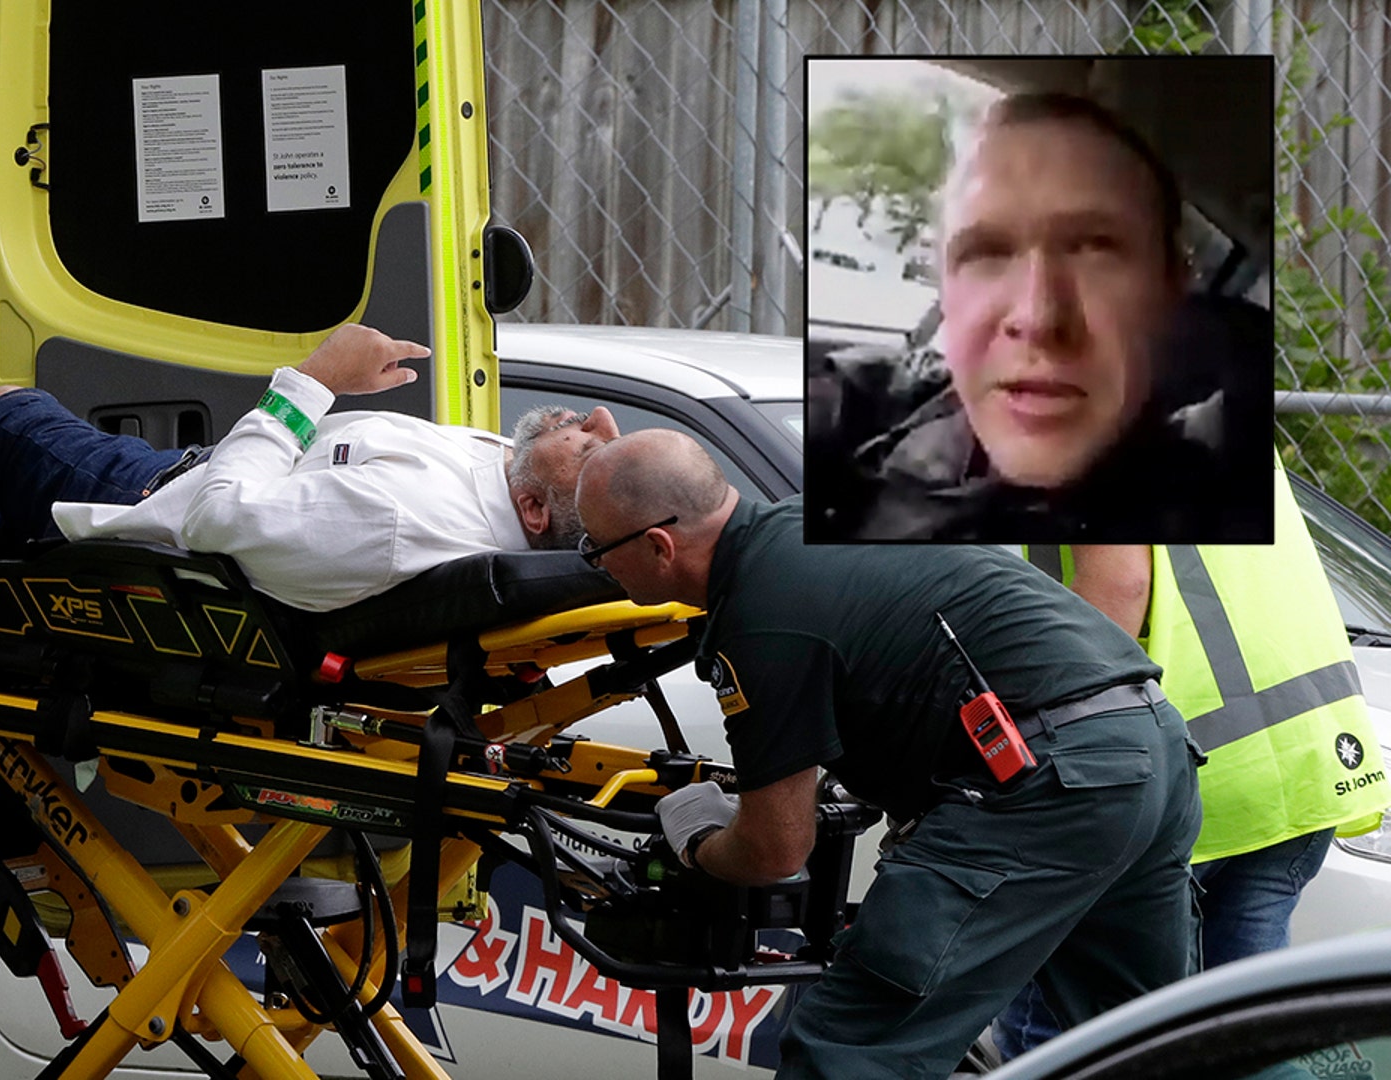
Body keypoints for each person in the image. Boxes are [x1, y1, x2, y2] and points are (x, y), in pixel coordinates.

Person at [578, 428, 1203, 1080]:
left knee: (850, 1051)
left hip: (1049, 784)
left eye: (597, 550)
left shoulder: (762, 617)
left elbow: (775, 850)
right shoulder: (812, 526)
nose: (596, 563)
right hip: (1151, 745)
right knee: (1171, 1046)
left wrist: (696, 840)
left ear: (659, 546)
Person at [0, 324, 617, 611]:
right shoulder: (511, 485)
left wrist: (311, 384)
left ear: (538, 512)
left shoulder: (403, 525)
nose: (590, 419)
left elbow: (218, 520)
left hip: (161, 505)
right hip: (187, 480)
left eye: (592, 445)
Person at [995, 453, 1388, 1057]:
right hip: (1303, 756)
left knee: (1074, 1039)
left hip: (1187, 776)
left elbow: (1120, 584)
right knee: (1247, 1037)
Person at [805, 91, 1268, 542]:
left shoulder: (1235, 511)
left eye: (1094, 249)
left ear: (1173, 287)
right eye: (986, 253)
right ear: (944, 291)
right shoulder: (870, 416)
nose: (1039, 317)